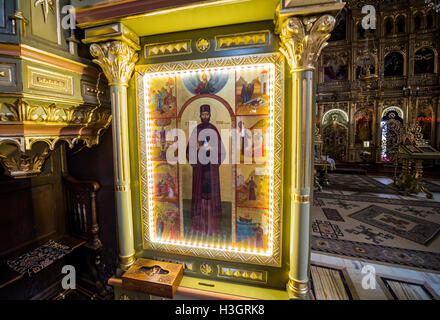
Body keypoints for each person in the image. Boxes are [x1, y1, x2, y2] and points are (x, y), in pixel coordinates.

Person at [186, 104, 225, 237]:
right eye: (203, 115)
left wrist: (212, 152)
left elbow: (221, 150)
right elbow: (189, 150)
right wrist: (197, 150)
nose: (205, 116)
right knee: (199, 194)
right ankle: (199, 226)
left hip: (211, 169)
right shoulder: (196, 130)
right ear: (200, 115)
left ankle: (212, 227)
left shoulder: (213, 130)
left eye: (207, 114)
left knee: (211, 193)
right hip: (199, 169)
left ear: (210, 115)